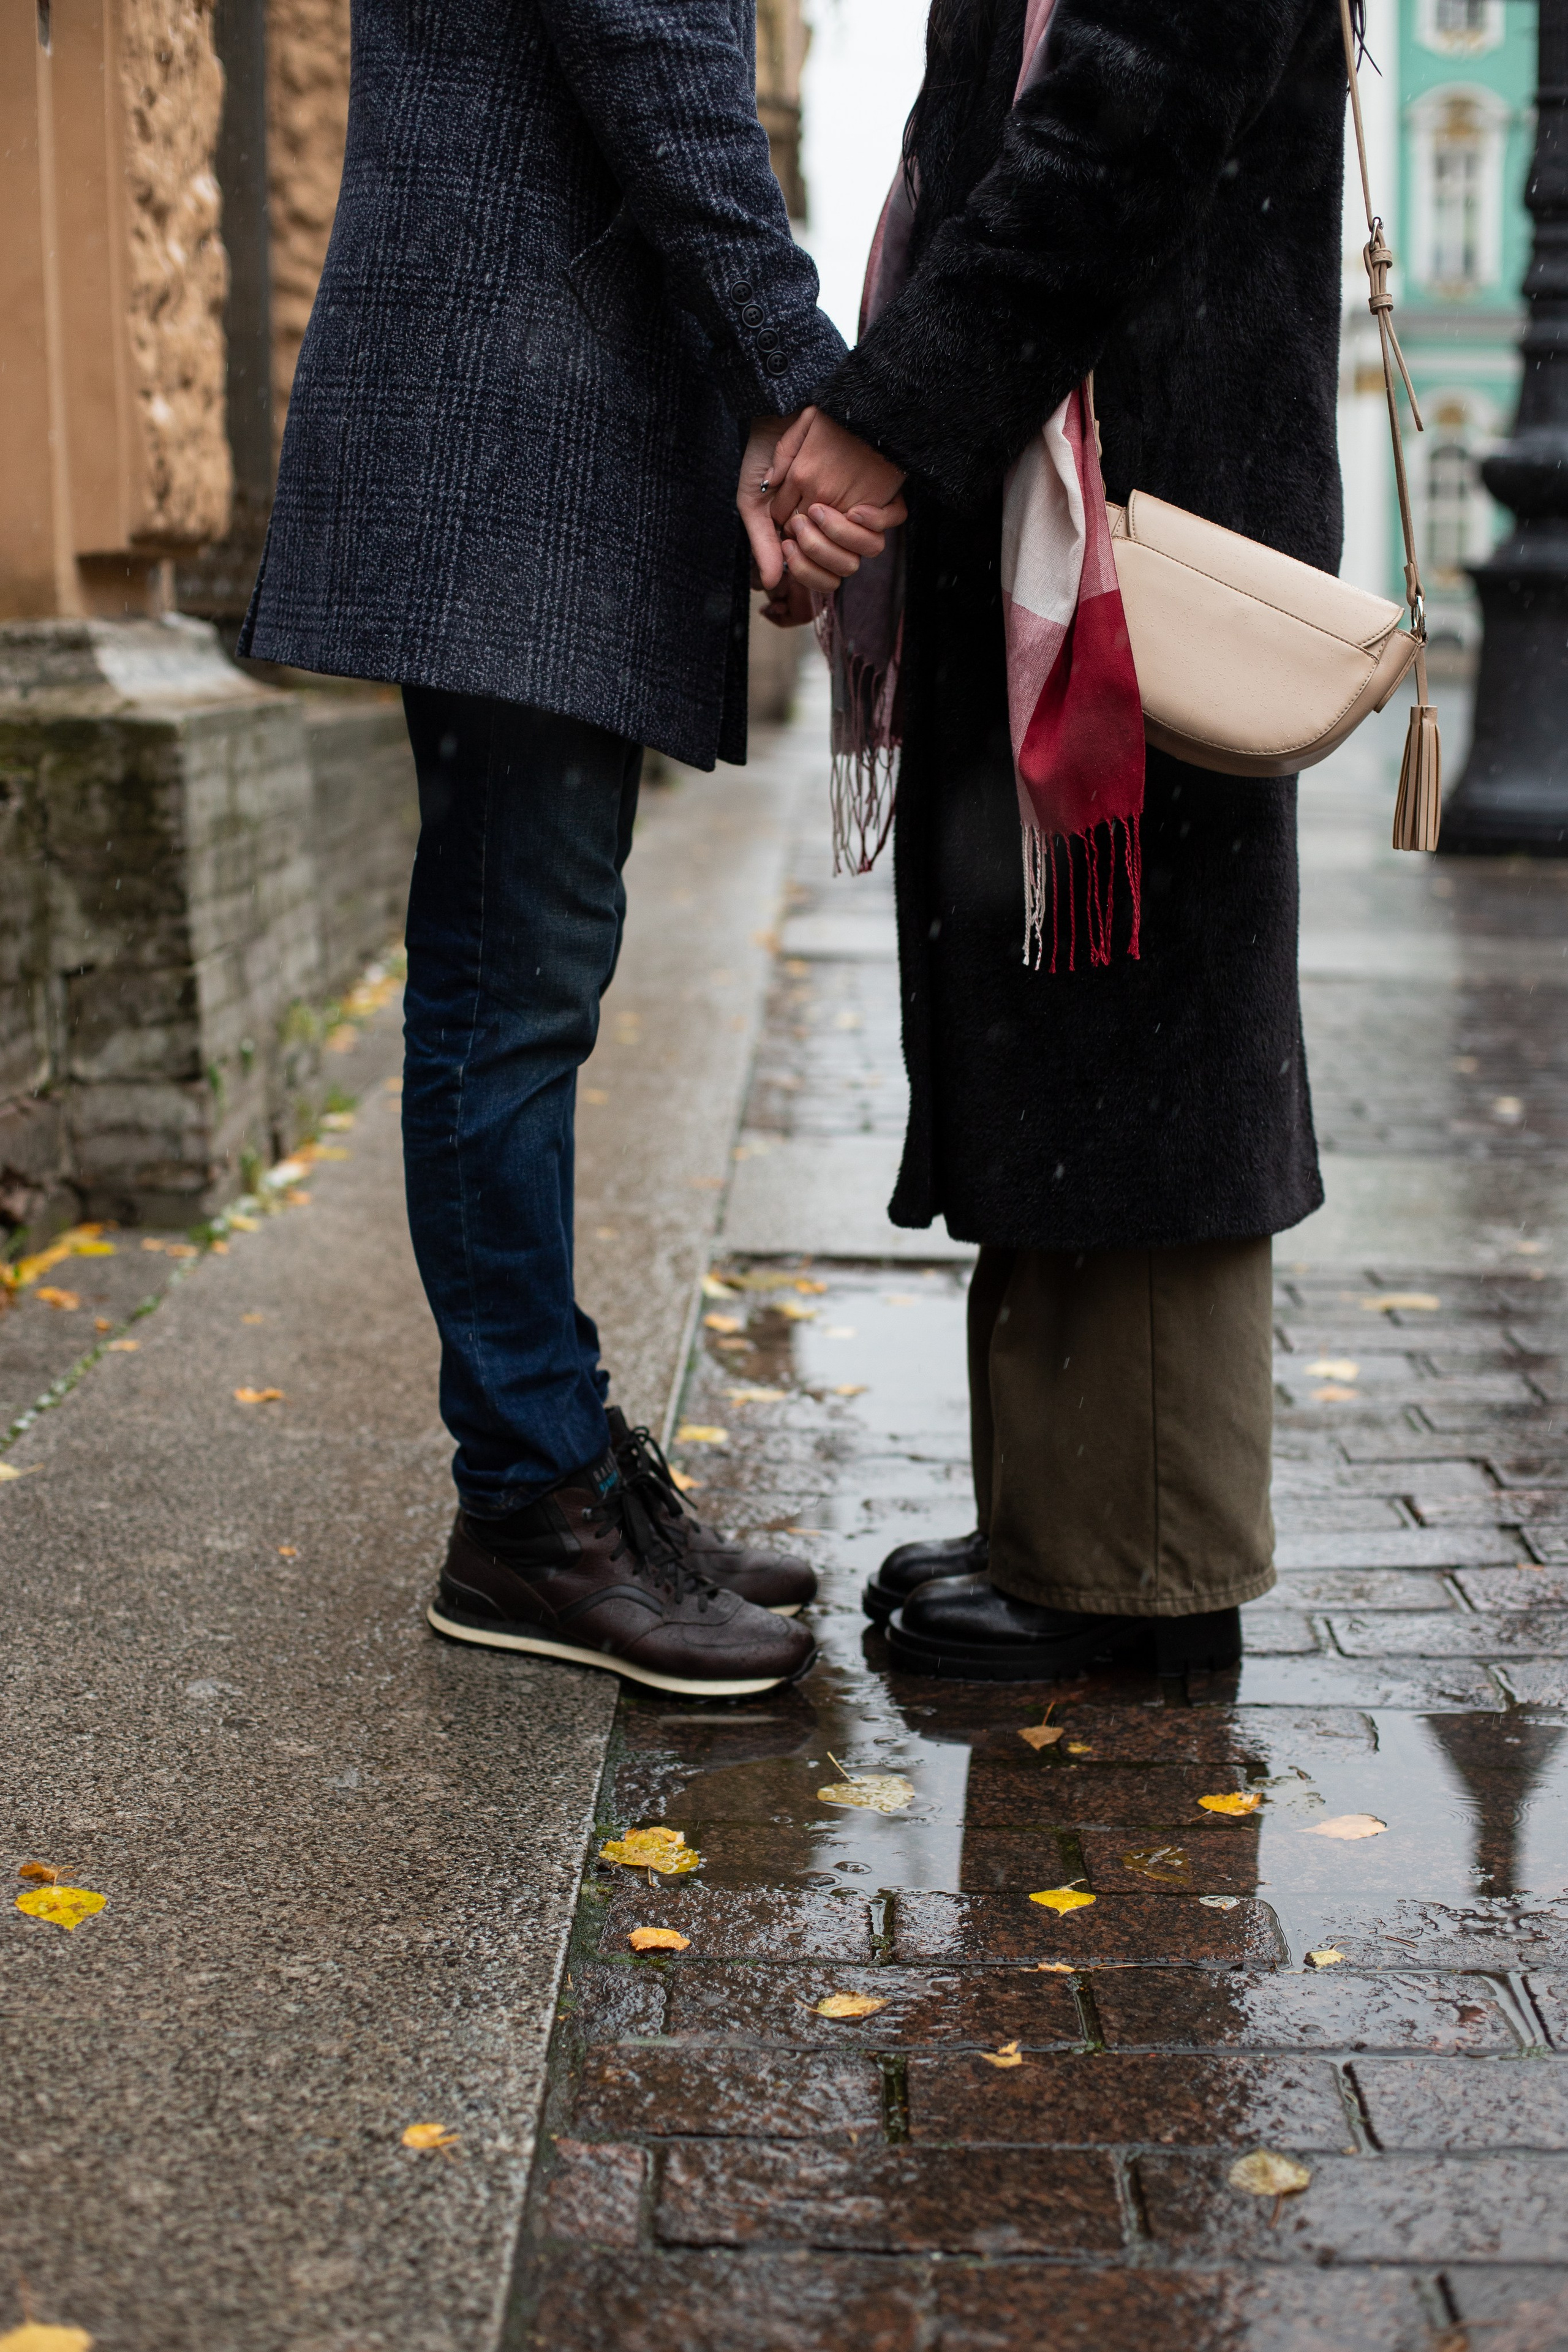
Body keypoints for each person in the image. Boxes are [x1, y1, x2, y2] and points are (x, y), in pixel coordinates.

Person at [238, 0, 902, 1696]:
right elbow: (667, 68)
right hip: (511, 428)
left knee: (525, 979)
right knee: (505, 992)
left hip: (519, 416)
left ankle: (554, 1453)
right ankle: (528, 1510)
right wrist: (804, 383)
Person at [762, 0, 1346, 1678]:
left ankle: (1139, 1574)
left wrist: (882, 421)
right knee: (1062, 1010)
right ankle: (1065, 1516)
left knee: (1136, 1028)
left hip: (1148, 526)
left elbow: (1118, 132)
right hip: (1059, 499)